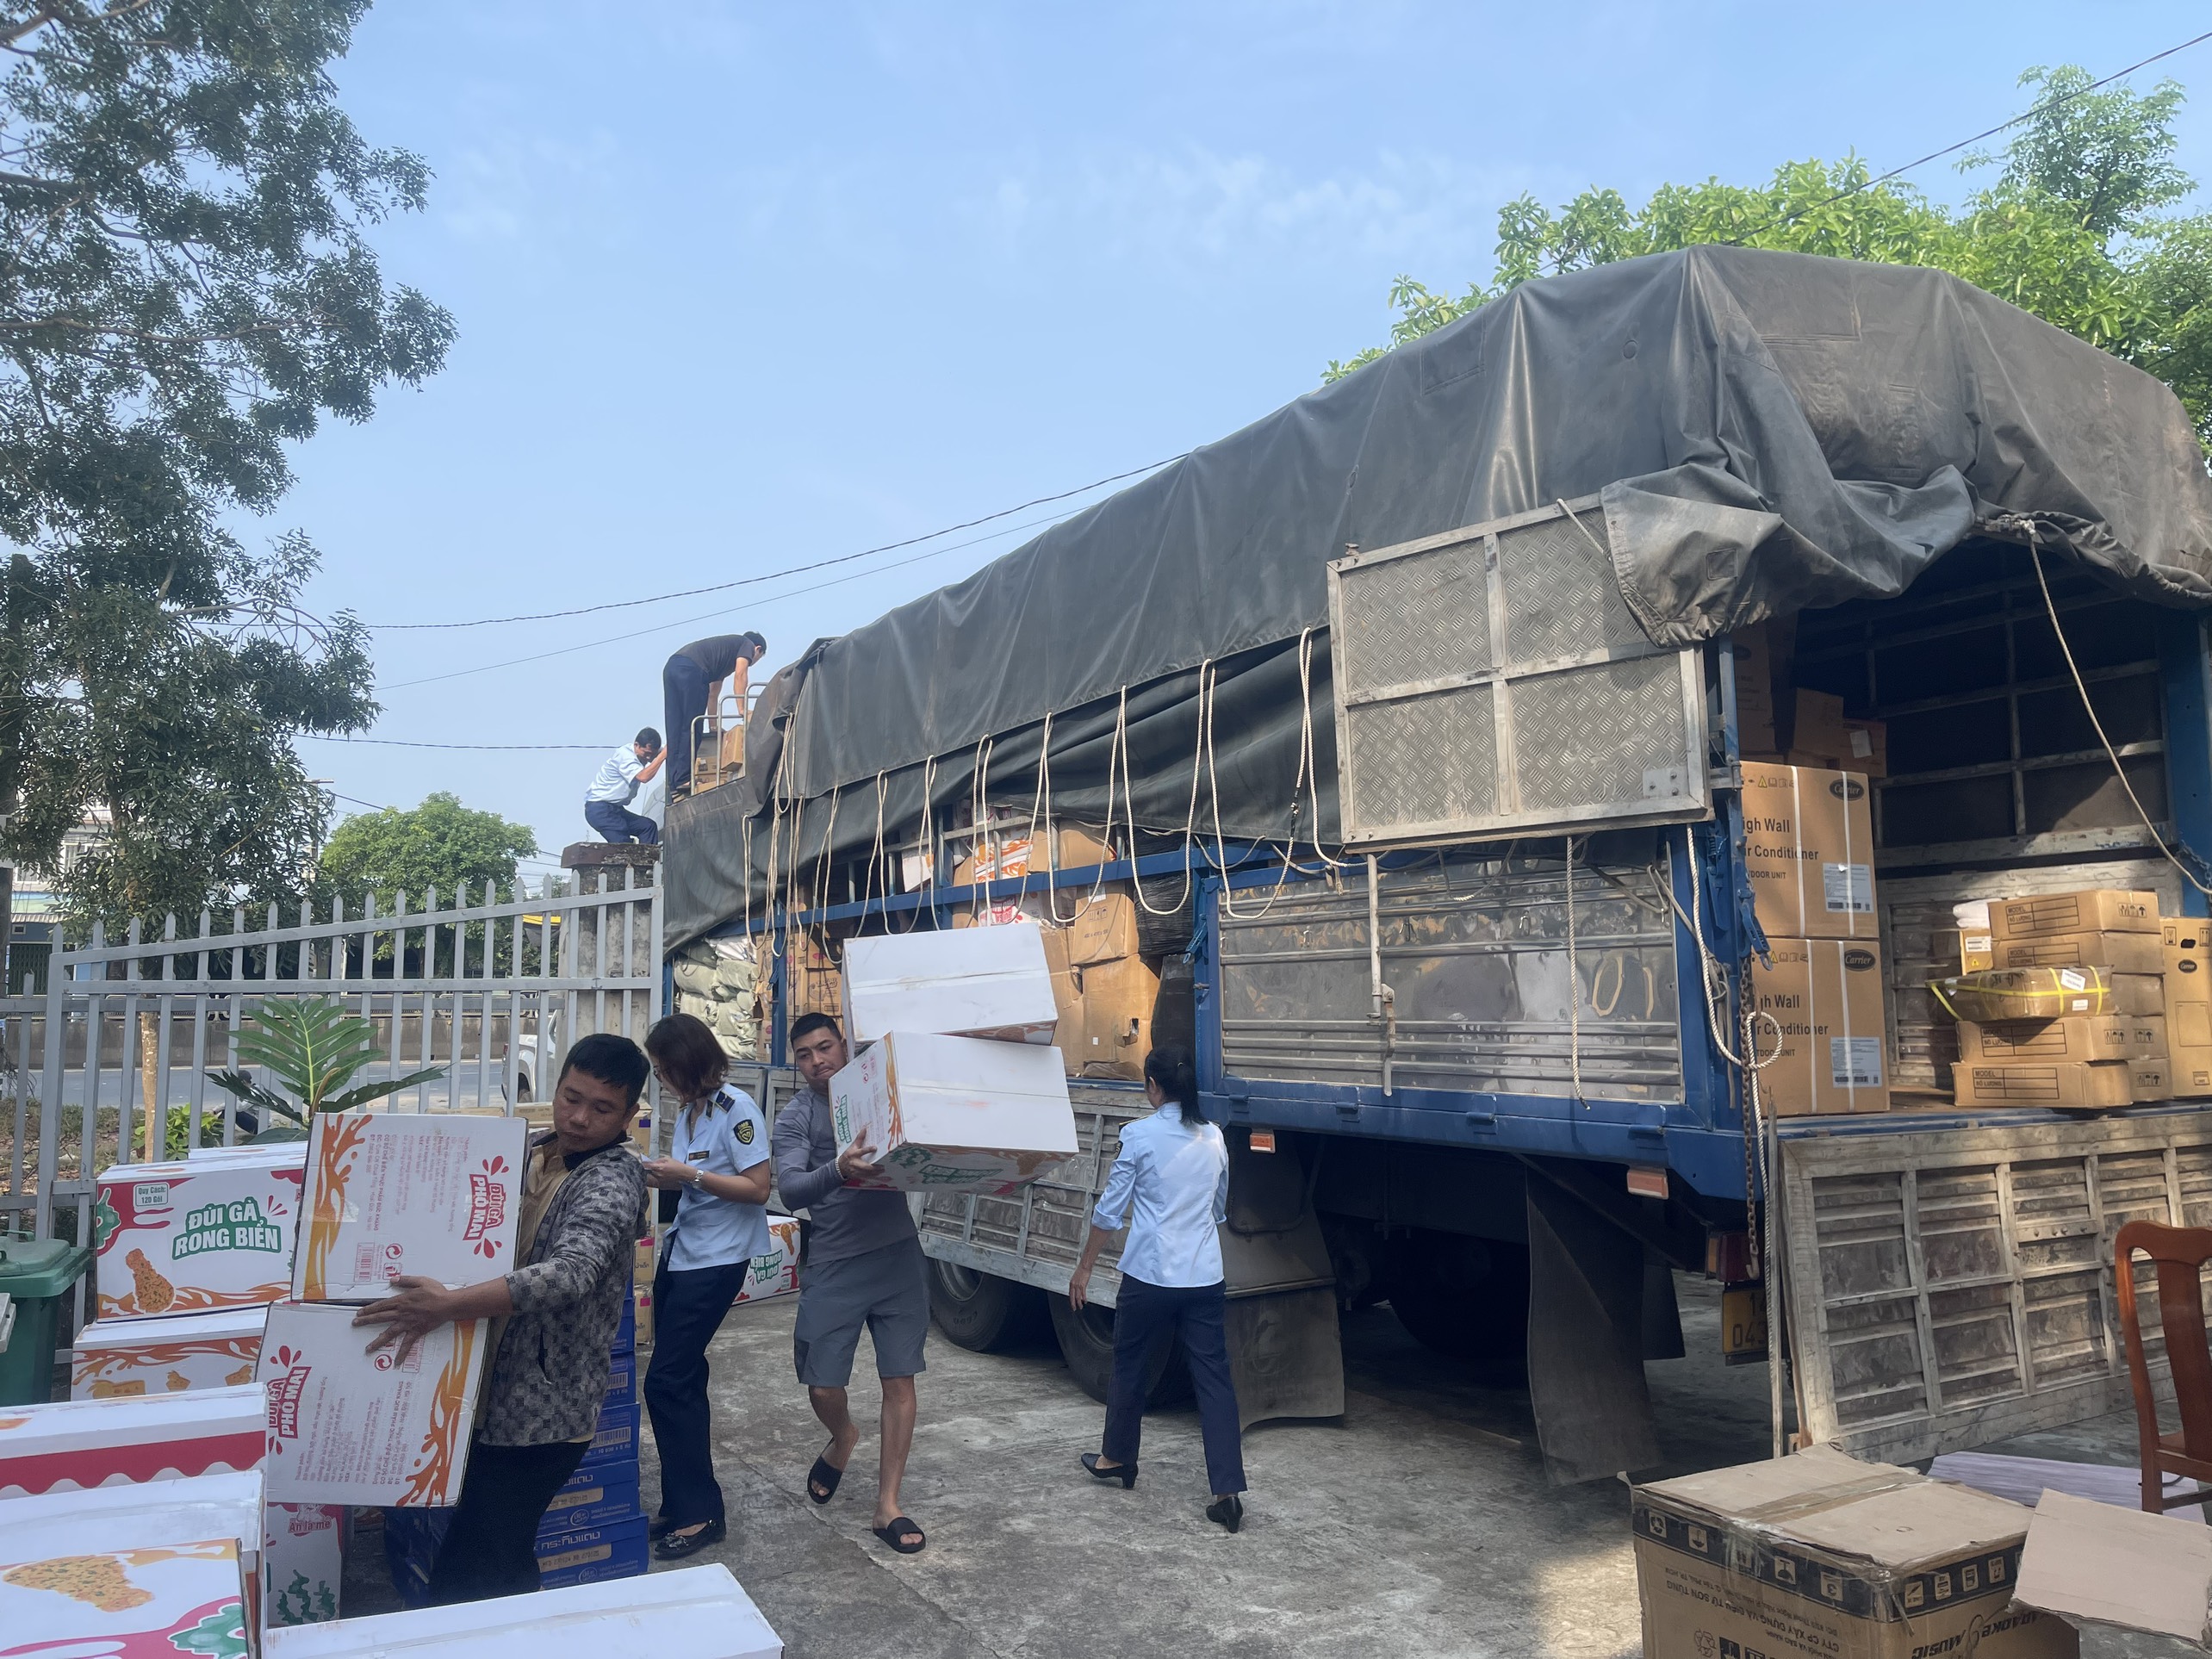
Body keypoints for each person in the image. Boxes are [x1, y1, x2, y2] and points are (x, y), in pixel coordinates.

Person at [355, 1033, 651, 1603]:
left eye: (601, 1108)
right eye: (571, 1097)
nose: (579, 1117)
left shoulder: (611, 1179)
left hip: (543, 1414)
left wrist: (446, 1306)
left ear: (628, 1116)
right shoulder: (532, 1152)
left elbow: (570, 1274)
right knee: (500, 1552)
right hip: (486, 1389)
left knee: (472, 1571)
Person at [1068, 1042, 1246, 1533]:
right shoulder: (1214, 1137)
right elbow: (1218, 1208)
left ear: (1153, 1087)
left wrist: (1084, 1267)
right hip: (1204, 1276)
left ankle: (1117, 1458)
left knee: (1130, 1364)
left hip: (1149, 1276)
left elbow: (1110, 1211)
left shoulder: (1139, 1136)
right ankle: (1228, 1493)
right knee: (1214, 1379)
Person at [772, 1011, 929, 1555]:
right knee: (822, 1384)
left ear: (844, 1045)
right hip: (835, 1263)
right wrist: (839, 1169)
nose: (818, 1061)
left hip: (897, 1256)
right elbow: (791, 1189)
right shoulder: (796, 1116)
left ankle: (888, 1505)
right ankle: (843, 1436)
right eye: (805, 1055)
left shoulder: (881, 1092)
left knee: (900, 1381)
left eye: (825, 1047)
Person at [639, 1011, 773, 1560]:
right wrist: (659, 1175)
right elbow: (691, 1183)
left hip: (718, 1260)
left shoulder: (736, 1109)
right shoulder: (691, 1112)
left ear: (688, 1064)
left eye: (663, 1069)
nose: (660, 1079)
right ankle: (683, 1503)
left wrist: (688, 1175)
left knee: (666, 1382)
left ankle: (700, 1513)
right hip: (683, 1252)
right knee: (683, 1378)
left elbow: (758, 1187)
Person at [663, 632, 766, 797]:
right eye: (758, 658)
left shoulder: (721, 657)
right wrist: (742, 709)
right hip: (693, 670)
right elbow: (741, 675)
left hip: (673, 666)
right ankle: (683, 778)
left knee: (675, 726)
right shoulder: (747, 644)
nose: (752, 662)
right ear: (757, 649)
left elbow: (713, 694)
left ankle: (674, 783)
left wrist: (714, 726)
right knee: (692, 726)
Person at [585, 728, 666, 844]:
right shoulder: (625, 756)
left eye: (652, 754)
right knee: (623, 841)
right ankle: (630, 856)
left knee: (647, 827)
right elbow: (644, 777)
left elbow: (667, 749)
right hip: (599, 809)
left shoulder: (647, 751)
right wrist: (661, 757)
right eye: (646, 753)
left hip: (616, 809)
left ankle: (648, 856)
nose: (649, 758)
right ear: (636, 745)